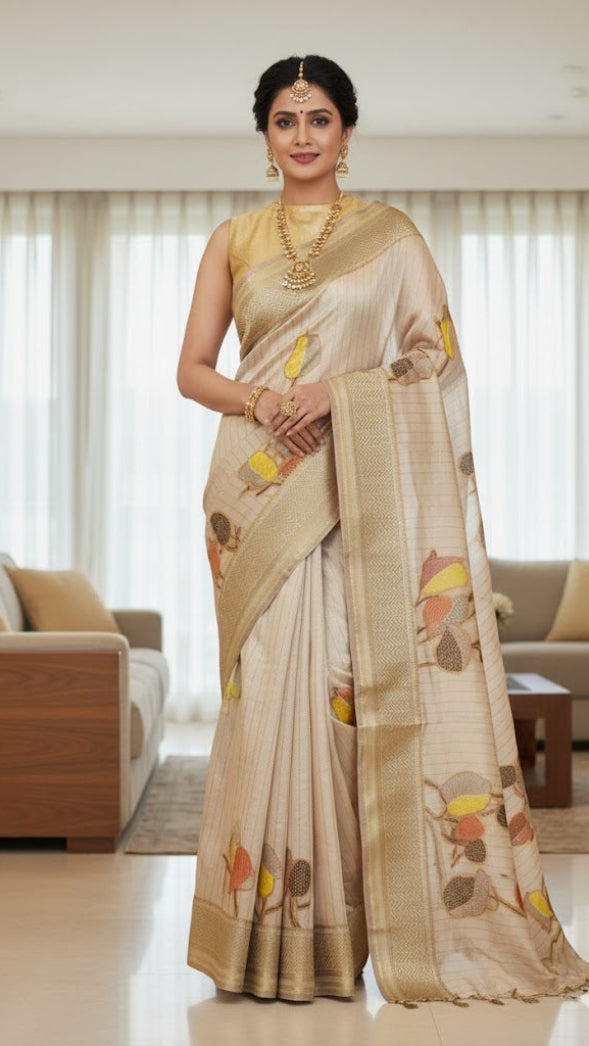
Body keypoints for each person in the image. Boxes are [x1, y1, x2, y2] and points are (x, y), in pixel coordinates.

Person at [177, 55, 589, 1004]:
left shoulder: (392, 238)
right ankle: (258, 942)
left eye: (319, 118)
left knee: (336, 707)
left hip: (356, 491)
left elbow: (431, 363)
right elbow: (194, 370)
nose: (303, 135)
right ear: (265, 137)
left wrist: (333, 396)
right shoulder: (233, 240)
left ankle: (336, 939)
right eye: (285, 120)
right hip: (254, 495)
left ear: (348, 135)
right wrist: (266, 398)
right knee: (265, 707)